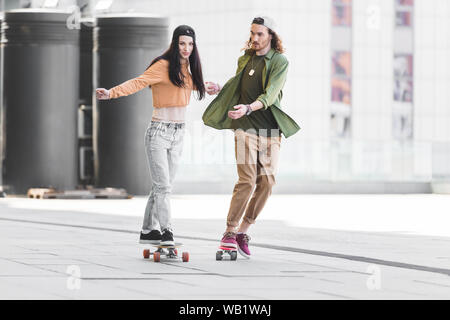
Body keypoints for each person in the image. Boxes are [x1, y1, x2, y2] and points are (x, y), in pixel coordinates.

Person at [96, 25, 205, 246]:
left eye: (190, 44)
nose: (186, 48)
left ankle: (148, 230)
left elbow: (188, 85)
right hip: (159, 132)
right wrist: (111, 93)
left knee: (161, 186)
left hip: (178, 133)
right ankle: (167, 231)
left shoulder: (186, 71)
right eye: (182, 43)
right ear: (175, 44)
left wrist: (208, 86)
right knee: (164, 187)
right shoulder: (162, 66)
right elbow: (138, 82)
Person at [203, 16, 300, 258]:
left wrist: (249, 107)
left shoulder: (280, 61)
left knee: (267, 182)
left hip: (270, 130)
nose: (254, 39)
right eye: (252, 33)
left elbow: (270, 95)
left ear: (271, 36)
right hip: (245, 127)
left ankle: (243, 231)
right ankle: (229, 232)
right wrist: (220, 88)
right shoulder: (245, 58)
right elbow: (237, 85)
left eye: (260, 34)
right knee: (246, 180)